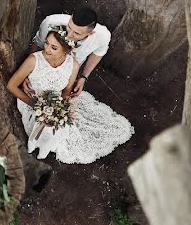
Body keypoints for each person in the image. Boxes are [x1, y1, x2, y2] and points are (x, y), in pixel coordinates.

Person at [8, 29, 133, 164]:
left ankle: (43, 148)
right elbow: (11, 86)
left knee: (59, 128)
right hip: (31, 100)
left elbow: (66, 90)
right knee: (45, 128)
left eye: (53, 47)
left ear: (66, 50)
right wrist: (35, 105)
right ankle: (35, 147)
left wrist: (63, 107)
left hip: (55, 101)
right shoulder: (34, 60)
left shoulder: (73, 65)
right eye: (47, 43)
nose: (47, 49)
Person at [26, 6, 111, 98]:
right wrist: (26, 73)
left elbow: (98, 53)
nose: (70, 34)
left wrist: (83, 77)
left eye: (77, 33)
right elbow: (38, 44)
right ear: (70, 18)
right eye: (69, 27)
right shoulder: (50, 22)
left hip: (69, 76)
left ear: (90, 33)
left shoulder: (103, 36)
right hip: (41, 70)